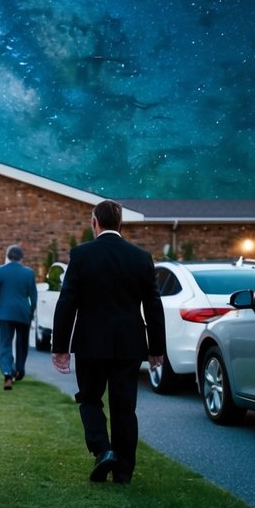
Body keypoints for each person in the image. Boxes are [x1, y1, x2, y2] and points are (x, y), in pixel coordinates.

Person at [51, 200, 165, 485]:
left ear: (94, 222)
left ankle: (103, 450)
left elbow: (67, 302)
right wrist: (156, 349)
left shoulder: (81, 255)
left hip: (91, 343)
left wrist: (60, 347)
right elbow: (153, 305)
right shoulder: (141, 257)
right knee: (124, 407)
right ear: (120, 224)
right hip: (129, 343)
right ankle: (123, 472)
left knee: (89, 399)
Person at [0, 244, 37, 390]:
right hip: (23, 312)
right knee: (22, 343)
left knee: (5, 343)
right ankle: (19, 369)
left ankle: (7, 373)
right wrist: (31, 312)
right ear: (21, 258)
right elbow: (33, 296)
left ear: (8, 256)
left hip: (4, 312)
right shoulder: (29, 273)